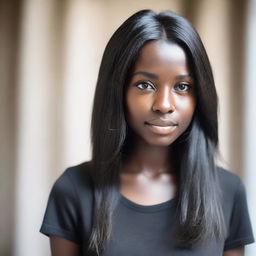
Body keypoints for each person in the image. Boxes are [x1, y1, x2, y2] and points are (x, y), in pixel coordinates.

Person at [40, 9, 254, 256]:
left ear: (200, 97)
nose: (164, 104)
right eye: (145, 85)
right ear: (118, 91)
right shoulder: (73, 188)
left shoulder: (228, 190)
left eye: (182, 87)